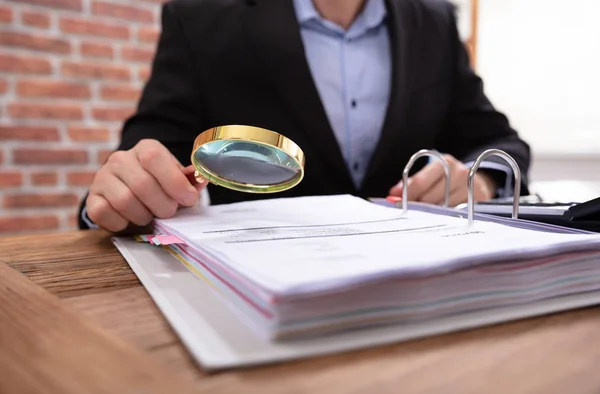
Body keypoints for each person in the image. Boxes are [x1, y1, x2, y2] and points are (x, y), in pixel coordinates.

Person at [79, 0, 531, 233]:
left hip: (422, 298)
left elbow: (498, 141)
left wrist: (479, 178)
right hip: (245, 302)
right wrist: (130, 191)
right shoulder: (198, 17)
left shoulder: (434, 20)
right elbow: (149, 156)